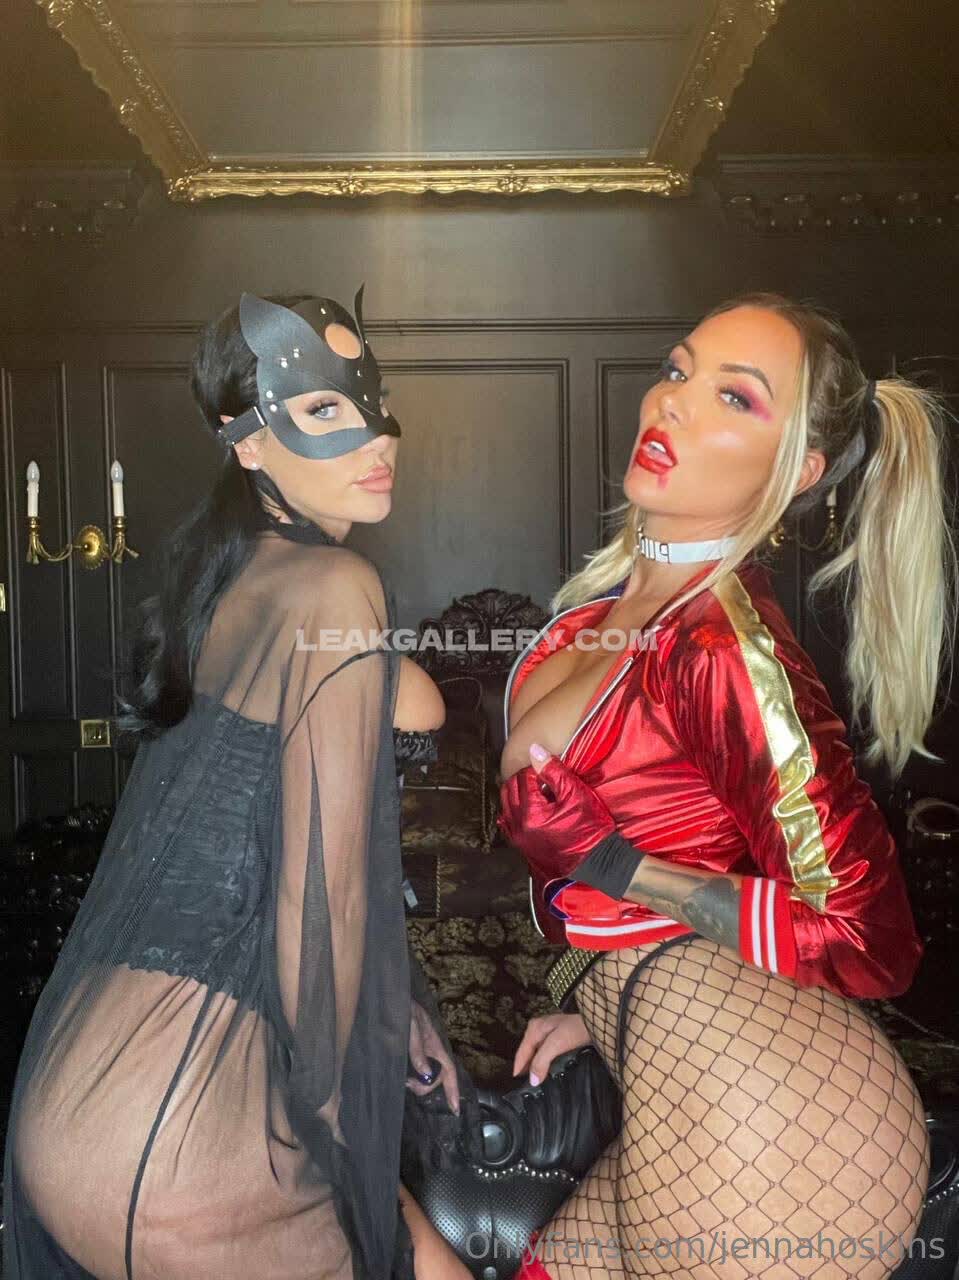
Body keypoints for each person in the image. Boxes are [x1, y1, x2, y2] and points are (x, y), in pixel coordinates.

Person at [2, 289, 471, 1280]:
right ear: (248, 442)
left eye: (373, 398)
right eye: (325, 407)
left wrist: (401, 1011)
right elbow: (320, 899)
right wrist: (341, 1128)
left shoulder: (234, 582)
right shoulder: (336, 587)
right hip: (187, 1131)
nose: (375, 434)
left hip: (77, 1096)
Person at [497, 295, 956, 1279]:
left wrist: (613, 865)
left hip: (773, 1133)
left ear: (798, 471)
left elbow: (870, 938)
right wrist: (611, 1009)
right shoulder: (603, 617)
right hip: (707, 1081)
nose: (672, 402)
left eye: (734, 397)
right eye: (677, 370)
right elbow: (702, 860)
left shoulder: (718, 645)